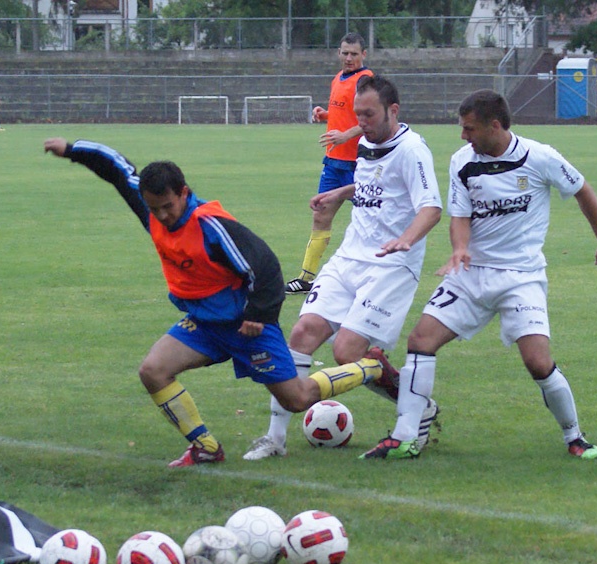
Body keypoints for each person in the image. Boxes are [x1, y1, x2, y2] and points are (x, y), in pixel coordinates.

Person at [43, 137, 393, 468]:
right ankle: (206, 448)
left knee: (297, 398)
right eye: (154, 208)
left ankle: (370, 368)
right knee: (153, 371)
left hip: (246, 326)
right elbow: (117, 168)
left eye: (168, 206)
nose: (162, 216)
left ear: (184, 193)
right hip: (205, 325)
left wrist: (258, 314)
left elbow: (266, 265)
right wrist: (72, 150)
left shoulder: (211, 226)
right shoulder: (149, 208)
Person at [360, 89, 597, 460]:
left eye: (469, 129)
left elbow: (582, 190)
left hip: (521, 277)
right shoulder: (462, 161)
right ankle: (405, 438)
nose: (463, 136)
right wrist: (460, 248)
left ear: (494, 126)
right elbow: (460, 215)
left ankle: (574, 436)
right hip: (471, 273)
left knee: (538, 362)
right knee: (420, 340)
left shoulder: (540, 157)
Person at [244, 75, 443, 461]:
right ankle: (275, 440)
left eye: (369, 115)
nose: (361, 123)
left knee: (348, 351)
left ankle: (415, 406)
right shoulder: (368, 142)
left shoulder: (412, 149)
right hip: (351, 254)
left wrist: (406, 239)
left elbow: (431, 208)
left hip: (391, 263)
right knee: (302, 333)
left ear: (393, 111)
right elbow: (373, 184)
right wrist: (341, 192)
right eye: (358, 114)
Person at [285, 32, 373, 295]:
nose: (348, 58)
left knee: (370, 219)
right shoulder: (338, 78)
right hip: (333, 161)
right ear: (339, 52)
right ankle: (306, 278)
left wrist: (346, 135)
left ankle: (374, 275)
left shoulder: (365, 80)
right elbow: (344, 114)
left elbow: (372, 118)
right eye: (345, 53)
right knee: (321, 214)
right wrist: (327, 115)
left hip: (356, 164)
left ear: (363, 55)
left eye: (354, 54)